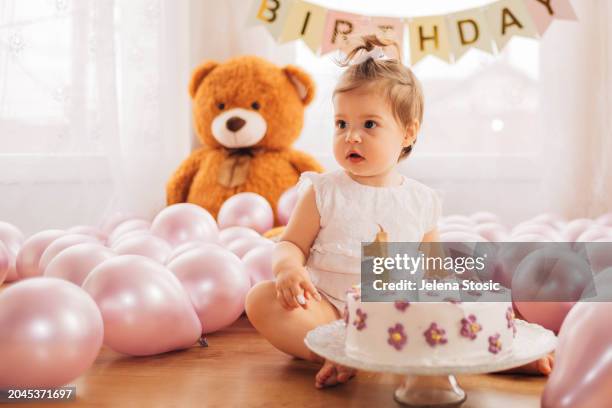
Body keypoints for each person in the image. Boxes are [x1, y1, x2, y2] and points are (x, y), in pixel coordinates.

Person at [245, 35, 553, 389]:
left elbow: (434, 272)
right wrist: (288, 269)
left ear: (408, 133)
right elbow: (291, 244)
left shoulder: (421, 201)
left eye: (369, 125)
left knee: (456, 314)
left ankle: (496, 356)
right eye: (341, 124)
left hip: (399, 314)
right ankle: (337, 354)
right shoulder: (323, 191)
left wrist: (463, 302)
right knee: (261, 299)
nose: (352, 137)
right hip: (328, 310)